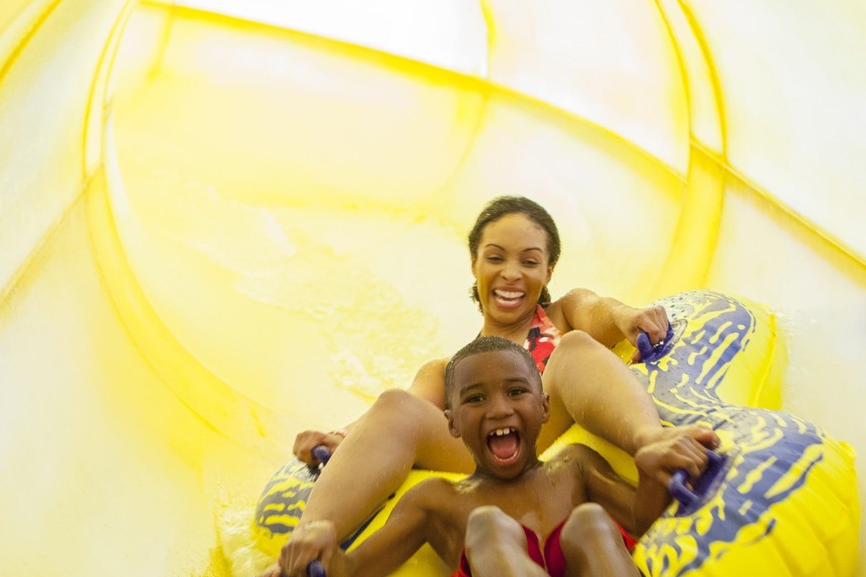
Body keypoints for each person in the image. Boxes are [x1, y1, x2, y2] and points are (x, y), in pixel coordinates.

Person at [261, 337, 716, 577]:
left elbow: (642, 526)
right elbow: (356, 570)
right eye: (475, 399)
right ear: (452, 424)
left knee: (592, 522)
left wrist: (652, 475)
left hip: (579, 562)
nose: (498, 409)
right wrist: (322, 549)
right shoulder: (439, 499)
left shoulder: (574, 466)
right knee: (488, 525)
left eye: (516, 392)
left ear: (544, 408)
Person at [285, 195, 718, 555]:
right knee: (396, 403)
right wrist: (339, 438)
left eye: (529, 261)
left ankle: (651, 441)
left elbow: (599, 310)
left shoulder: (562, 315)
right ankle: (313, 535)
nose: (511, 273)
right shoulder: (450, 372)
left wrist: (629, 316)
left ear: (547, 272)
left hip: (551, 422)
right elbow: (400, 412)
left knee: (574, 347)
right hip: (483, 453)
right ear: (474, 263)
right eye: (496, 258)